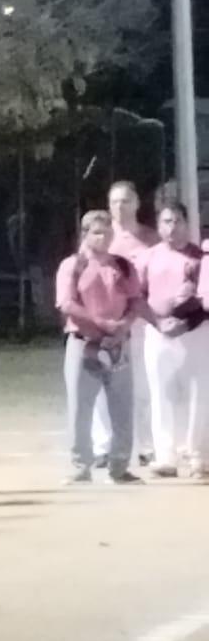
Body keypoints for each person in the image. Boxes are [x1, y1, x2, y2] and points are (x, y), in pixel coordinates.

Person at [57, 210, 145, 484]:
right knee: (80, 409)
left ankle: (120, 466)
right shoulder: (73, 265)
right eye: (97, 232)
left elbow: (135, 301)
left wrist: (123, 326)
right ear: (85, 234)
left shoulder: (123, 266)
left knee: (122, 407)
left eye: (108, 232)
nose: (104, 237)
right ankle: (81, 465)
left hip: (118, 344)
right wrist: (99, 322)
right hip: (84, 344)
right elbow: (66, 304)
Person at [137, 202, 206, 479]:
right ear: (158, 225)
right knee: (161, 393)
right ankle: (165, 455)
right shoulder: (148, 257)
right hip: (158, 333)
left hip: (196, 332)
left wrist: (186, 323)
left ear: (187, 223)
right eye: (166, 221)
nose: (171, 227)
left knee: (199, 394)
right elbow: (138, 296)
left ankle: (197, 453)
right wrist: (158, 323)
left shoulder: (201, 257)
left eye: (177, 221)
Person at [95, 182, 159, 468]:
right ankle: (104, 445)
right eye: (114, 202)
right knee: (103, 384)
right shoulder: (100, 239)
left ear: (136, 204)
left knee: (144, 385)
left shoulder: (151, 238)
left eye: (125, 201)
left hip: (141, 322)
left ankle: (146, 444)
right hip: (107, 323)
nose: (119, 207)